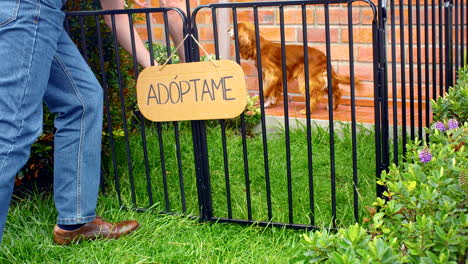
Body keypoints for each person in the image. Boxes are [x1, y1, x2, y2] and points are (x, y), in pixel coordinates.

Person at [0, 0, 155, 245]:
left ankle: (76, 222)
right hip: (29, 8)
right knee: (13, 129)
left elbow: (113, 12)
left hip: (38, 13)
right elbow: (117, 14)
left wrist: (153, 67)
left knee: (82, 100)